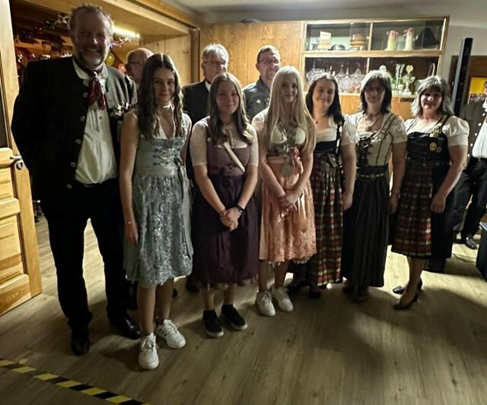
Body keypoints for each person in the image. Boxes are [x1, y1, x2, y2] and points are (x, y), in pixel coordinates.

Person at [11, 4, 139, 355]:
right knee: (69, 265)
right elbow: (22, 128)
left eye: (100, 35)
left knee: (116, 260)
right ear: (72, 34)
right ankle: (79, 324)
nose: (93, 41)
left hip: (110, 192)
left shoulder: (122, 83)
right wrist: (44, 174)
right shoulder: (44, 76)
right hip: (65, 193)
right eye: (85, 33)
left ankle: (117, 314)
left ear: (110, 39)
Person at [119, 54, 192, 369]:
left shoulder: (183, 118)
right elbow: (125, 173)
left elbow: (180, 160)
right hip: (146, 198)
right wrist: (129, 218)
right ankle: (147, 335)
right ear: (147, 84)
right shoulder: (135, 119)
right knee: (149, 269)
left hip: (174, 196)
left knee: (170, 263)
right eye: (158, 82)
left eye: (170, 82)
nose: (165, 88)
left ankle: (164, 321)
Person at [190, 72, 259, 338]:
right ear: (214, 97)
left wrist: (238, 209)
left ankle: (229, 306)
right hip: (212, 200)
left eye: (233, 94)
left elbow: (252, 173)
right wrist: (222, 211)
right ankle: (209, 310)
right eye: (222, 94)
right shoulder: (202, 129)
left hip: (241, 200)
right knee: (211, 255)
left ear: (240, 97)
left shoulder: (249, 131)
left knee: (238, 253)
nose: (229, 99)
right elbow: (201, 175)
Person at [392, 76, 468, 308]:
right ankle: (414, 280)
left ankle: (412, 288)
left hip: (432, 187)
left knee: (422, 239)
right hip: (411, 185)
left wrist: (442, 194)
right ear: (419, 97)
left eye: (436, 95)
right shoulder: (410, 123)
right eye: (426, 94)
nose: (430, 99)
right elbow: (401, 159)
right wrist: (396, 189)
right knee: (409, 237)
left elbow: (459, 163)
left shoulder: (452, 123)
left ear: (443, 98)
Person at [253, 66, 317, 316]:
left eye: (293, 86)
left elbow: (308, 158)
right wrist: (280, 194)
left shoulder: (305, 119)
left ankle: (279, 287)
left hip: (297, 187)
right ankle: (262, 291)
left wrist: (296, 192)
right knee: (267, 239)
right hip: (272, 186)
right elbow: (260, 161)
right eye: (284, 85)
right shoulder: (262, 120)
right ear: (276, 88)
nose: (289, 90)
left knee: (289, 238)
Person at [341, 70, 407, 303]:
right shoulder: (352, 120)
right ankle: (350, 276)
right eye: (369, 88)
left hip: (377, 183)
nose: (374, 93)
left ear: (386, 93)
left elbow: (399, 161)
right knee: (350, 231)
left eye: (379, 89)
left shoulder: (394, 122)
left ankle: (364, 282)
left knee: (370, 234)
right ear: (363, 91)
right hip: (353, 182)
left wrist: (394, 192)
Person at [289, 73, 357, 298]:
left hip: (327, 186)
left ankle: (317, 279)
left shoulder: (341, 123)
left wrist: (349, 191)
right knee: (300, 227)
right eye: (321, 90)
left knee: (323, 231)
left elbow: (350, 159)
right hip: (300, 181)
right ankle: (298, 275)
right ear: (312, 92)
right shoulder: (299, 119)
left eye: (330, 91)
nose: (325, 95)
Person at [183, 43, 229, 293]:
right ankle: (195, 272)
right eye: (215, 62)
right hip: (196, 172)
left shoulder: (233, 92)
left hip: (226, 175)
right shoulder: (188, 93)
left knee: (219, 224)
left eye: (223, 63)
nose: (220, 67)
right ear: (204, 65)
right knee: (196, 225)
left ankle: (220, 270)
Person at [452, 80, 487, 250]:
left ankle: (468, 234)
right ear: (485, 90)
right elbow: (459, 136)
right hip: (468, 163)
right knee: (458, 199)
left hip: (486, 167)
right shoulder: (470, 109)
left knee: (479, 203)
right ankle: (451, 232)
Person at [243, 45, 281, 120]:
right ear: (258, 67)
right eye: (267, 62)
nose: (272, 65)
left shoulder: (288, 93)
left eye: (275, 61)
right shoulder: (246, 94)